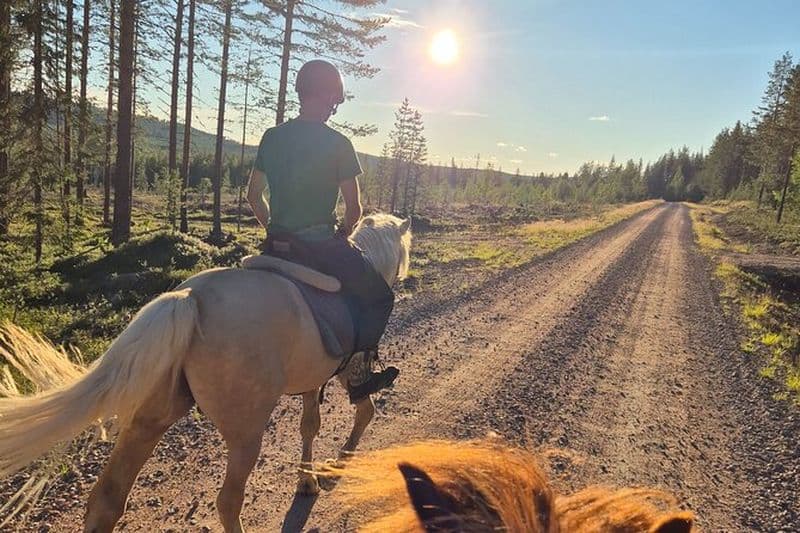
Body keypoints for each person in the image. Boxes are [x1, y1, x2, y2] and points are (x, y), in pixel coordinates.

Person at [246, 59, 399, 404]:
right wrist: (342, 234)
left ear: (301, 93)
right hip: (320, 247)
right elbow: (355, 209)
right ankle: (359, 374)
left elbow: (254, 196)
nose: (334, 107)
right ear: (330, 96)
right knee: (380, 297)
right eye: (335, 100)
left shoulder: (273, 137)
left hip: (276, 246)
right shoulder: (338, 143)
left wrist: (274, 229)